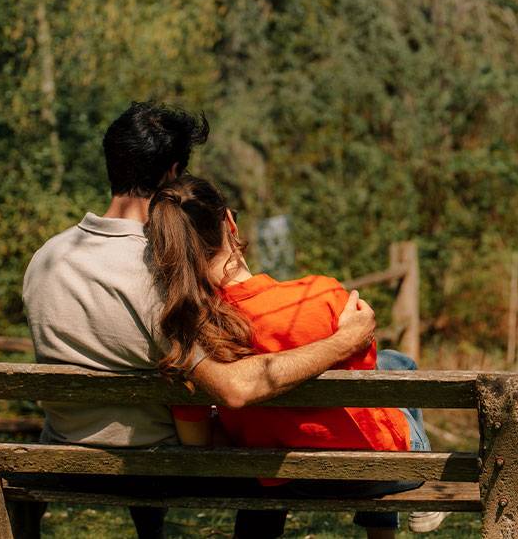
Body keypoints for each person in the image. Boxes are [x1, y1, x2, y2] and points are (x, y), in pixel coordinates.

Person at [20, 102, 378, 539]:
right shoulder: (161, 271)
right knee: (264, 432)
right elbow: (235, 387)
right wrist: (346, 341)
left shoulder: (48, 258)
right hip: (155, 464)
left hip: (61, 455)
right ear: (173, 175)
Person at [147, 173, 448, 538]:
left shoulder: (191, 332)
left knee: (393, 365)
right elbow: (367, 383)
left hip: (278, 477)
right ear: (229, 222)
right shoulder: (324, 296)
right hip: (370, 472)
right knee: (397, 366)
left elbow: (196, 441)